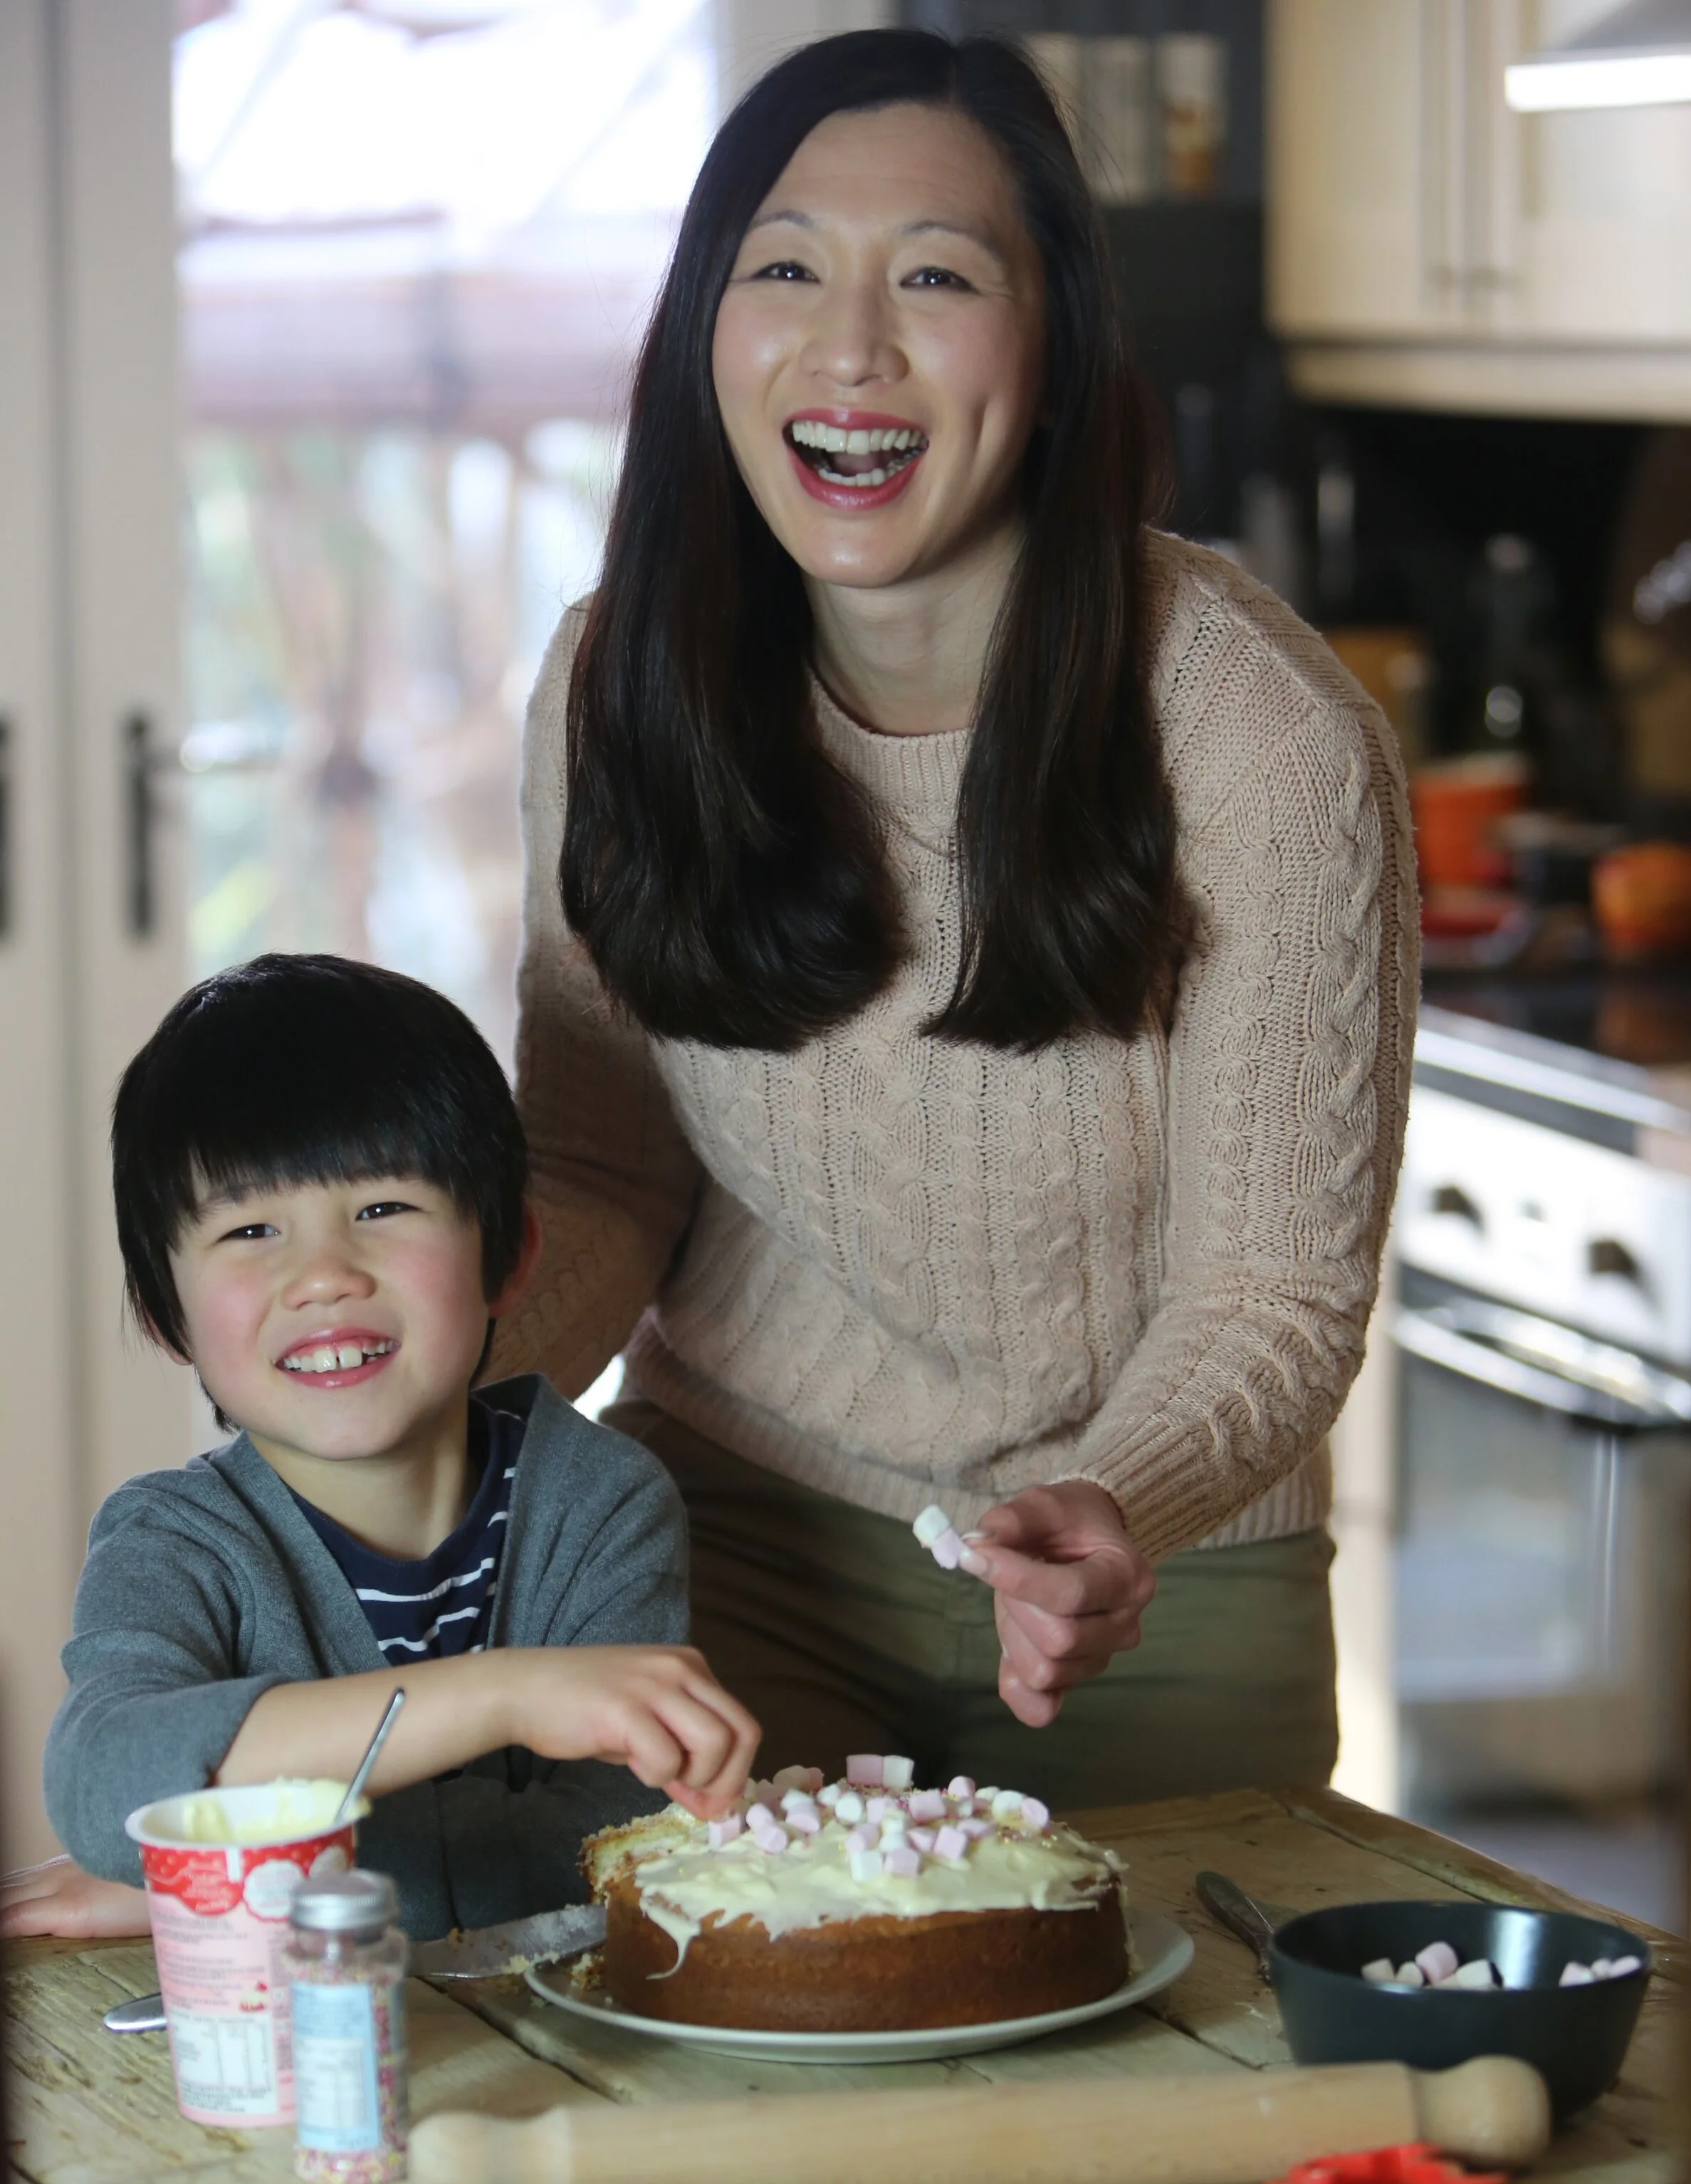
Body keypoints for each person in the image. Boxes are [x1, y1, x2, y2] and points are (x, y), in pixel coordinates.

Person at [496, 30, 1417, 1807]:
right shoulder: (622, 688)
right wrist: (427, 1395)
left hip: (1149, 1589)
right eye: (782, 270)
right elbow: (601, 1170)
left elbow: (1271, 1290)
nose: (849, 348)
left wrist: (1113, 1502)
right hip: (731, 1540)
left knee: (1184, 2001)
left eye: (934, 277)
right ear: (704, 333)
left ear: (1056, 350)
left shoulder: (1256, 737)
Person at [0, 955, 756, 1946]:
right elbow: (103, 1783)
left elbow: (614, 1857)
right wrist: (505, 1695)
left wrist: (238, 1876)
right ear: (163, 1315)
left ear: (508, 1257)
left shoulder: (602, 1500)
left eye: (382, 1209)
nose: (324, 1275)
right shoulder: (171, 1539)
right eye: (251, 1228)